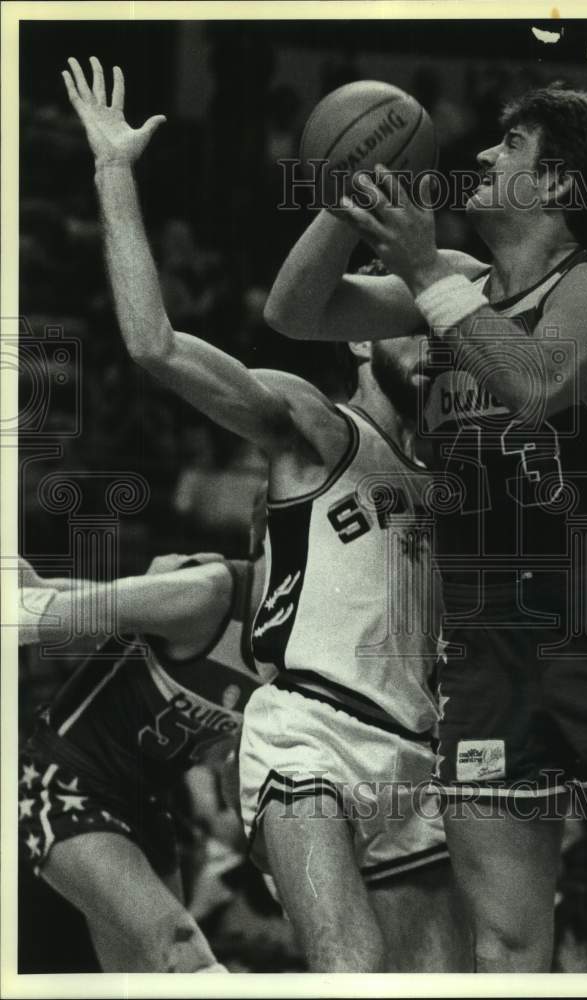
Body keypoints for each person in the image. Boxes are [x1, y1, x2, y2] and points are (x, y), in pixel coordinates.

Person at [264, 85, 587, 973]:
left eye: (510, 143)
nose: (482, 155)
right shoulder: (451, 281)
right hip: (484, 646)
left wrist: (423, 270)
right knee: (506, 944)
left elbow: (536, 383)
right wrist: (347, 191)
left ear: (555, 182)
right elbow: (293, 313)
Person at [62, 57, 470, 973]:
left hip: (416, 755)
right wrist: (114, 170)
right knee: (350, 974)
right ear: (358, 335)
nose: (430, 337)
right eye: (410, 317)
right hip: (309, 735)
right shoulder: (313, 426)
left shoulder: (454, 472)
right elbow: (155, 347)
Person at [19, 550, 270, 972]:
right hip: (64, 782)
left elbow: (233, 773)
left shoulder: (295, 652)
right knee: (187, 958)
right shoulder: (207, 592)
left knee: (145, 983)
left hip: (146, 807)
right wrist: (33, 594)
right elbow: (32, 610)